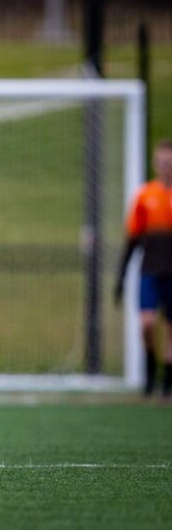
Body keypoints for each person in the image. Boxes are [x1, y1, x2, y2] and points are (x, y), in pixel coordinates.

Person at [115, 139, 172, 398]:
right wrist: (121, 276)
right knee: (147, 323)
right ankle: (150, 370)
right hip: (150, 270)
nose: (165, 167)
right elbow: (132, 239)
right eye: (161, 162)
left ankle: (167, 381)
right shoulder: (145, 196)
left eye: (169, 163)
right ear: (154, 163)